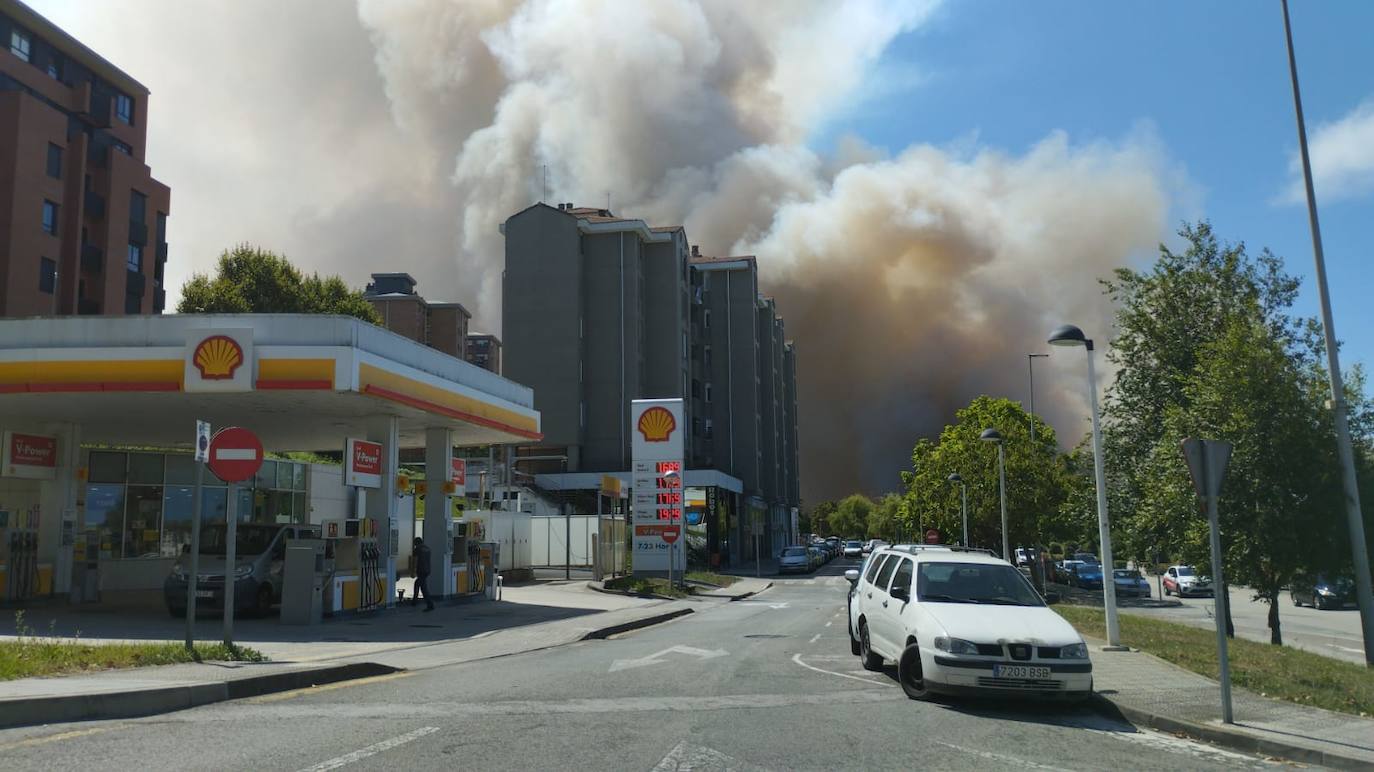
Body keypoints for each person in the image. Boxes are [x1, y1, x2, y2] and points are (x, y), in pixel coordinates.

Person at [412, 536, 435, 611]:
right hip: (427, 570)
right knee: (417, 583)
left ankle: (430, 604)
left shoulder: (417, 549)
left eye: (415, 544)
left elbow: (414, 560)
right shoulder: (427, 548)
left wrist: (413, 571)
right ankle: (414, 601)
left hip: (421, 570)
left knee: (423, 588)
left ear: (416, 543)